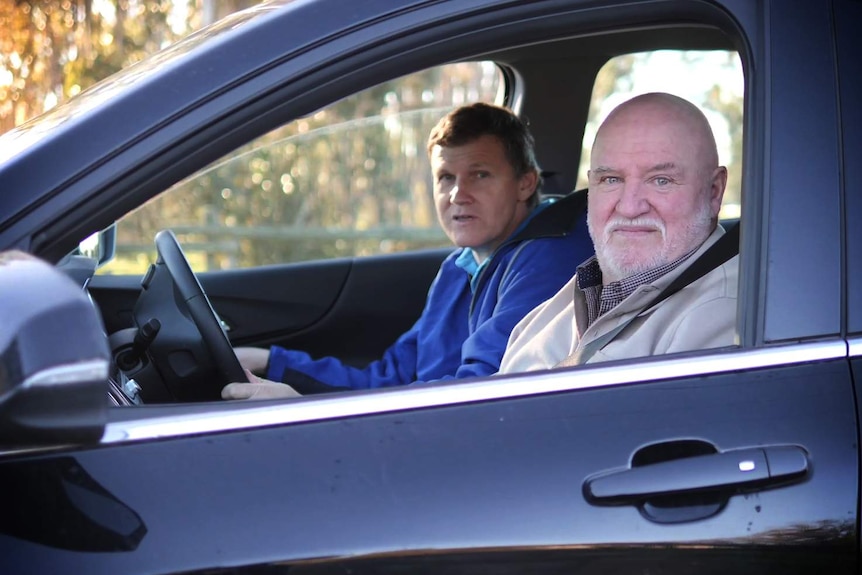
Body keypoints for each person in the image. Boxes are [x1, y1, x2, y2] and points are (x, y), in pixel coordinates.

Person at [222, 102, 594, 399]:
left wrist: (302, 408)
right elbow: (390, 379)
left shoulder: (549, 259)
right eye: (445, 177)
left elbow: (477, 394)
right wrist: (272, 363)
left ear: (525, 184)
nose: (457, 195)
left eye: (480, 175)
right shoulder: (459, 267)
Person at [498, 92, 738, 373]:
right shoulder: (551, 313)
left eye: (661, 180)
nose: (629, 207)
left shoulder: (723, 318)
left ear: (714, 192)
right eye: (611, 179)